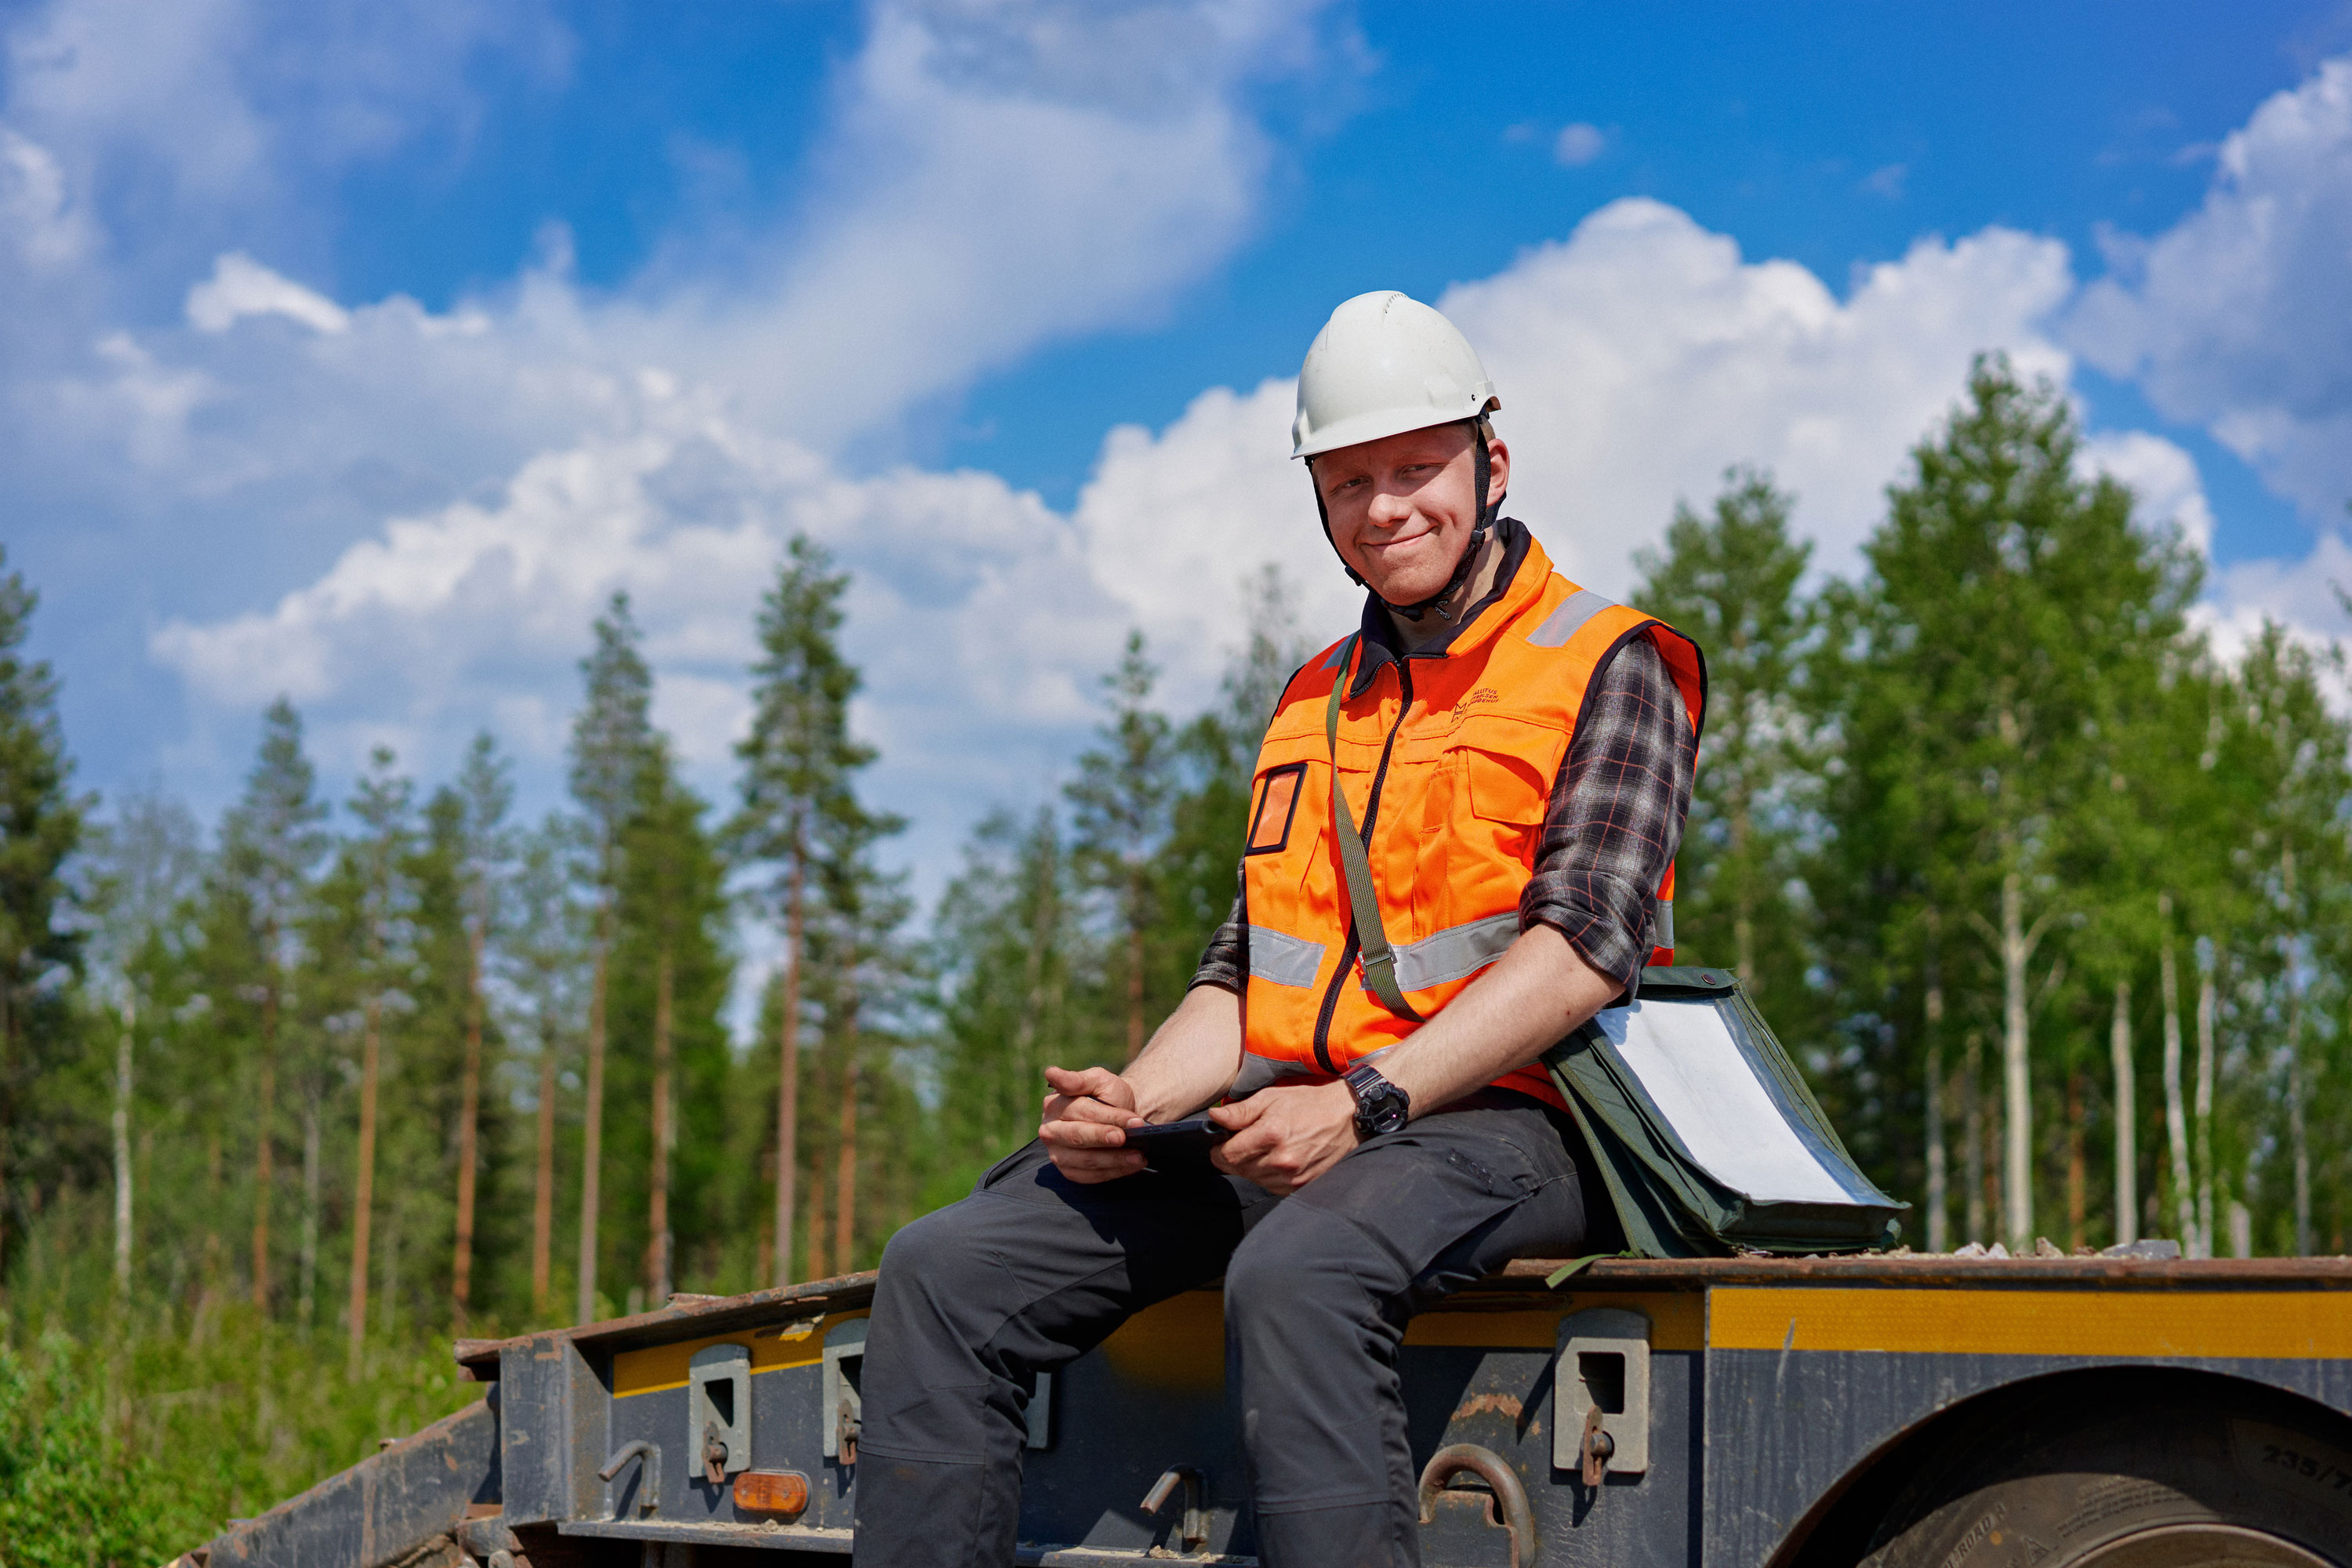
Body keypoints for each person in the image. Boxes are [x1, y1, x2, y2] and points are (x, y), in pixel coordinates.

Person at [852, 291, 1706, 1568]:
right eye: (1350, 480)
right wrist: (1129, 1109)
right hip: (1294, 1120)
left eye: (1418, 469)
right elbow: (1248, 968)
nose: (1388, 508)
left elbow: (1583, 950)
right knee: (942, 1266)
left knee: (1299, 1270)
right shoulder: (1315, 696)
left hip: (1521, 1127)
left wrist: (1361, 1106)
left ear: (1492, 463)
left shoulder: (1608, 660)